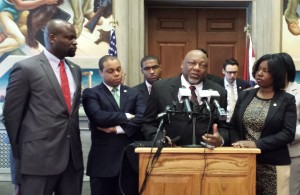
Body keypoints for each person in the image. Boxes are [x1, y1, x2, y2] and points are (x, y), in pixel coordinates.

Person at [3, 19, 83, 195]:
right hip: (36, 162)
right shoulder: (25, 69)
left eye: (75, 38)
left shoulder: (75, 70)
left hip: (72, 161)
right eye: (70, 37)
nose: (75, 42)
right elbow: (11, 118)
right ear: (52, 38)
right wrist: (17, 169)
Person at [230, 53, 296, 195]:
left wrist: (256, 145)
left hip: (273, 165)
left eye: (266, 71)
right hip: (244, 162)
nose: (259, 73)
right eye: (259, 69)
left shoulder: (287, 100)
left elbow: (288, 133)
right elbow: (234, 125)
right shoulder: (245, 95)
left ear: (276, 75)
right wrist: (237, 145)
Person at [82, 55, 145, 195]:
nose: (117, 74)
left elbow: (142, 118)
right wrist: (127, 116)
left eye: (118, 69)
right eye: (110, 71)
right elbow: (98, 117)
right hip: (103, 164)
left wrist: (117, 129)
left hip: (129, 164)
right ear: (101, 73)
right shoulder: (91, 93)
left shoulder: (134, 93)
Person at [142, 49, 228, 147]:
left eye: (203, 65)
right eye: (192, 63)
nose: (197, 68)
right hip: (170, 153)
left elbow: (224, 127)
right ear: (182, 64)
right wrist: (162, 140)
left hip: (206, 153)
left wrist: (220, 139)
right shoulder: (161, 88)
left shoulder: (219, 91)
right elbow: (148, 123)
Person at [277, 52, 300, 195]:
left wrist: (286, 136)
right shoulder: (267, 91)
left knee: (290, 191)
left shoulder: (298, 91)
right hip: (268, 152)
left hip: (292, 151)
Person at [216, 58, 250, 122]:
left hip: (238, 123)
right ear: (223, 71)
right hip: (222, 122)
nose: (232, 75)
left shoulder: (244, 85)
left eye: (235, 72)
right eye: (229, 72)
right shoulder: (217, 86)